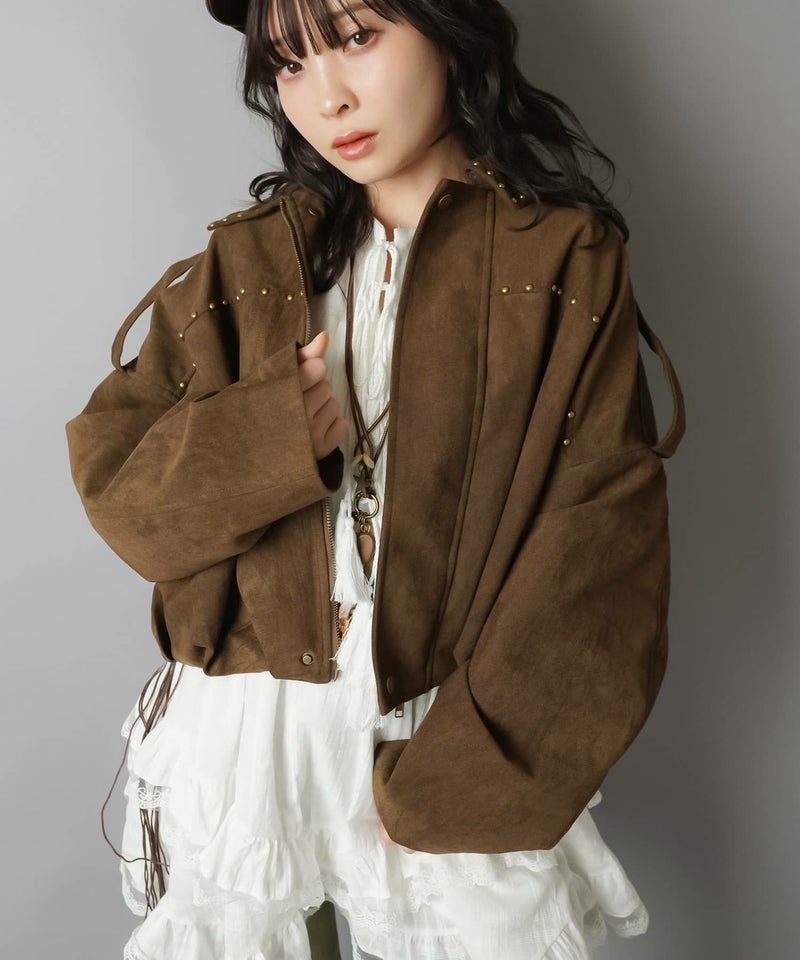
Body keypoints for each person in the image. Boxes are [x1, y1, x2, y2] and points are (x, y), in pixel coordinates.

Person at [64, 0, 687, 958]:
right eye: (290, 64)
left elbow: (600, 550)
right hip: (255, 735)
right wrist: (266, 438)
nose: (329, 98)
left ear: (450, 27)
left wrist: (468, 774)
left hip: (442, 723)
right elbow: (124, 498)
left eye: (356, 38)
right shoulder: (251, 262)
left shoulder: (560, 261)